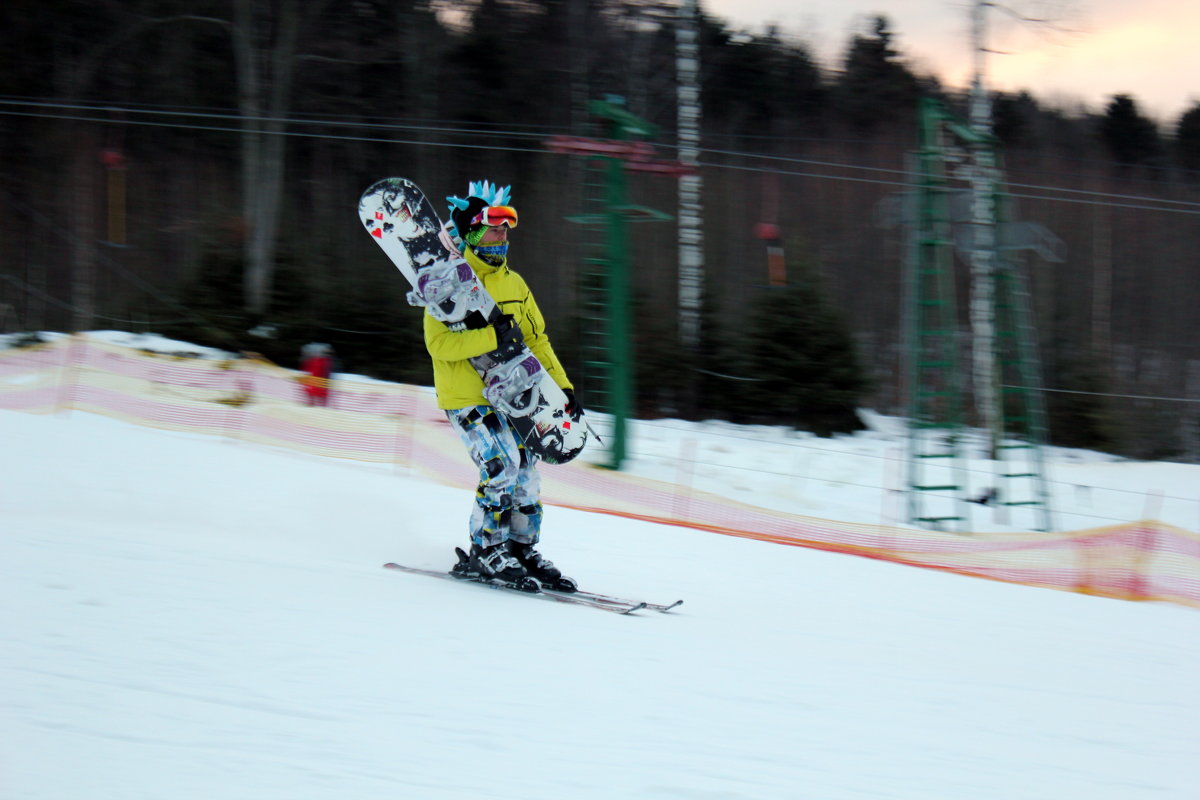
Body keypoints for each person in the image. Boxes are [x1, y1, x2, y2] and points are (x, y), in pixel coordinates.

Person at [425, 180, 580, 587]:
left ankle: (520, 548)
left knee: (527, 465)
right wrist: (493, 338)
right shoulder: (449, 282)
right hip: (466, 396)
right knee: (502, 464)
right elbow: (438, 344)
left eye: (507, 226)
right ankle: (486, 548)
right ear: (473, 233)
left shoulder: (514, 284)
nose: (503, 233)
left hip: (512, 394)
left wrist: (561, 389)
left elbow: (537, 339)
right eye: (494, 226)